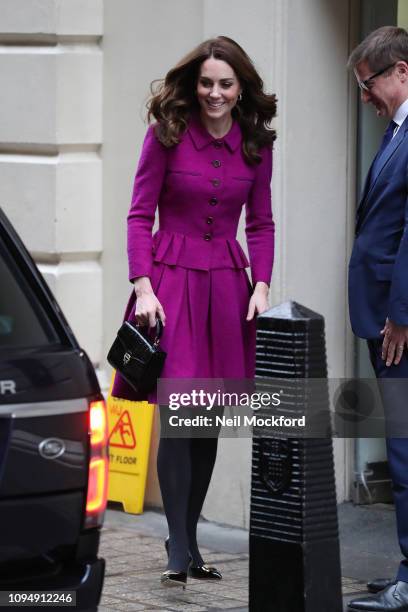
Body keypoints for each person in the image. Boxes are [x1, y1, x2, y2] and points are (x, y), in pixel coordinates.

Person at [111, 36, 276, 588]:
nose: (214, 93)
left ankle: (190, 538)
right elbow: (138, 214)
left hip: (228, 289)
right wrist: (143, 285)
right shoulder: (166, 134)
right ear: (194, 83)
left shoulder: (255, 142)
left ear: (240, 87)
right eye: (206, 82)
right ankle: (177, 546)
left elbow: (261, 221)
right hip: (171, 286)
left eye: (225, 83)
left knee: (207, 421)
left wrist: (262, 282)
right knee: (180, 420)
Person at [347, 26, 408, 612]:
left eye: (369, 85)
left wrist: (399, 314)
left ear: (402, 72)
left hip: (399, 325)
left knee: (405, 448)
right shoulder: (396, 131)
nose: (365, 97)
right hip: (387, 316)